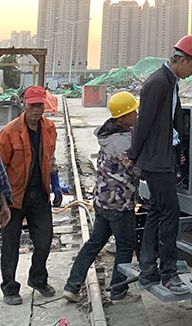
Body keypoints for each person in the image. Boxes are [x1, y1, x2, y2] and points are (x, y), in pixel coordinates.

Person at [127, 35, 192, 294]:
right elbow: (143, 122)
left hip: (163, 157)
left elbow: (171, 123)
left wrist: (178, 151)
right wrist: (133, 154)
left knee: (157, 212)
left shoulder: (171, 83)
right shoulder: (158, 83)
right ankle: (169, 275)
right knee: (170, 214)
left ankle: (148, 269)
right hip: (156, 161)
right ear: (182, 60)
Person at [63, 91, 141, 305]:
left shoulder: (108, 135)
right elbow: (137, 171)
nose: (136, 115)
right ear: (122, 117)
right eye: (133, 112)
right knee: (125, 246)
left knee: (95, 242)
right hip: (120, 204)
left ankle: (72, 286)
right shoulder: (122, 143)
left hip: (102, 200)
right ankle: (118, 291)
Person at [0, 86, 62, 305]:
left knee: (44, 240)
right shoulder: (9, 132)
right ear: (24, 105)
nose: (36, 109)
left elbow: (50, 158)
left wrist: (55, 183)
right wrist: (2, 202)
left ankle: (37, 279)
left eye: (39, 105)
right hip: (14, 196)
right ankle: (9, 288)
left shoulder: (49, 128)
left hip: (39, 194)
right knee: (10, 244)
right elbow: (0, 169)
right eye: (32, 105)